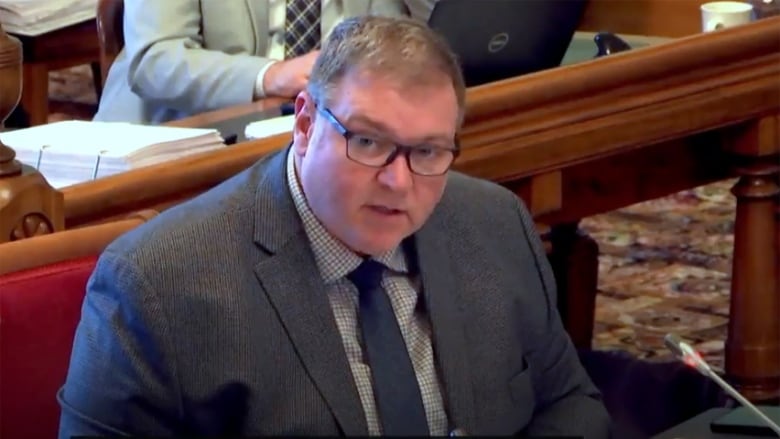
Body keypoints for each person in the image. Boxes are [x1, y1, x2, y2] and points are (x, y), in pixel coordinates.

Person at [59, 15, 611, 438]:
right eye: (367, 141)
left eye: (427, 151)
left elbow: (568, 403)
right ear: (302, 124)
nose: (398, 181)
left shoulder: (492, 222)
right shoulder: (159, 282)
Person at [93, 0, 410, 124]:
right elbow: (155, 61)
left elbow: (399, 44)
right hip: (182, 139)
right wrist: (270, 76)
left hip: (325, 132)